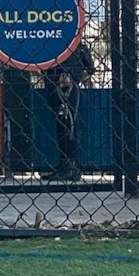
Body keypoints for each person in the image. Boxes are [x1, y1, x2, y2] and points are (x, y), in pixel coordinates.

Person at [44, 43, 94, 182]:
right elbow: (90, 67)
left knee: (68, 125)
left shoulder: (67, 43)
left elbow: (90, 68)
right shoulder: (75, 43)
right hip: (61, 83)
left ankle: (70, 166)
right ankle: (66, 163)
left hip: (64, 85)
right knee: (64, 125)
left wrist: (71, 74)